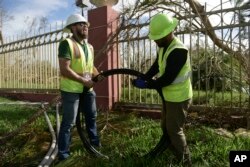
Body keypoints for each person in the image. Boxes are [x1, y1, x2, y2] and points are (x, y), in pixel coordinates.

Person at [132, 13, 193, 166]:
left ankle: (186, 161)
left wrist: (146, 85)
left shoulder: (179, 51)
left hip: (179, 97)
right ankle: (174, 153)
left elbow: (167, 79)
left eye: (157, 37)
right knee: (165, 126)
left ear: (168, 33)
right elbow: (156, 66)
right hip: (169, 96)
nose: (155, 40)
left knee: (174, 129)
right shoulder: (164, 47)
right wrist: (145, 77)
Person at [57, 13, 101, 161]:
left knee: (92, 117)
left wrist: (98, 74)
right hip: (71, 90)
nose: (86, 27)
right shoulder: (66, 44)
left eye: (86, 25)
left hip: (87, 89)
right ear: (72, 27)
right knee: (68, 123)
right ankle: (64, 155)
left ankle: (95, 144)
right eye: (82, 24)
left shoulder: (89, 46)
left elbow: (89, 65)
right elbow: (65, 69)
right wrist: (83, 80)